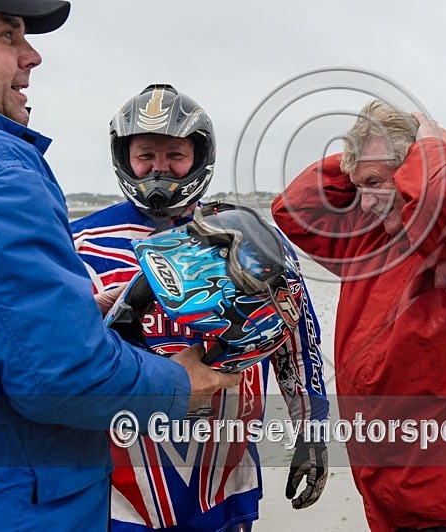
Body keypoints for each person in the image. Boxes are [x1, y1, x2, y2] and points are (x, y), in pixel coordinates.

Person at [0, 2, 241, 529]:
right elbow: (58, 375)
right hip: (22, 493)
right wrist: (180, 383)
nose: (31, 55)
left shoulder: (230, 231)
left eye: (176, 155)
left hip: (212, 477)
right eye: (7, 35)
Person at [272, 100, 446, 531]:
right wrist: (364, 151)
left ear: (413, 170)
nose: (362, 202)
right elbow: (295, 209)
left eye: (375, 183)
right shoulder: (368, 241)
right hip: (391, 495)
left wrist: (429, 153)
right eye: (357, 186)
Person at [71, 84, 329, 531]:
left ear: (199, 156)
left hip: (224, 478)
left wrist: (312, 429)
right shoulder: (78, 243)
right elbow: (50, 355)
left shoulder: (245, 235)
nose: (159, 168)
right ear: (124, 157)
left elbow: (297, 338)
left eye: (175, 155)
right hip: (119, 484)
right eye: (145, 154)